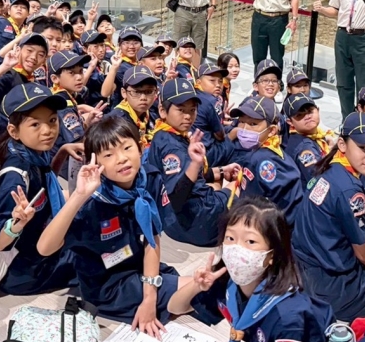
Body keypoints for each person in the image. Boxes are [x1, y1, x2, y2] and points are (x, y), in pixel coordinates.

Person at [170, 196, 333, 342]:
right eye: (230, 238)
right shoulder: (228, 282)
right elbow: (175, 308)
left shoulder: (287, 315)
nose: (237, 249)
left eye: (250, 242)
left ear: (272, 254)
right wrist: (196, 286)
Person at [37, 115, 184, 329]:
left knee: (197, 289)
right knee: (198, 293)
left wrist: (149, 295)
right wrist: (79, 195)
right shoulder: (91, 203)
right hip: (107, 285)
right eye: (108, 154)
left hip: (136, 264)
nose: (121, 159)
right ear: (95, 163)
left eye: (127, 148)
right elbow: (45, 247)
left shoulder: (147, 179)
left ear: (140, 148)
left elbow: (152, 237)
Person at [294, 112, 365, 323]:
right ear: (342, 144)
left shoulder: (328, 170)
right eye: (363, 148)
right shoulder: (349, 189)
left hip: (309, 278)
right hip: (339, 293)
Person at [0, 83, 78, 295]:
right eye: (35, 124)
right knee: (96, 256)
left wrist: (62, 151)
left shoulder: (32, 152)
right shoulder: (15, 178)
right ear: (13, 131)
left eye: (52, 120)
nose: (48, 131)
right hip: (26, 268)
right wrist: (17, 223)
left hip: (41, 239)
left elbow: (45, 181)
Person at [145, 78, 233, 247]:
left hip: (172, 223)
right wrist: (195, 164)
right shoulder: (172, 148)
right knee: (238, 189)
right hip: (197, 224)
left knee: (218, 181)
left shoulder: (162, 134)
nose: (188, 116)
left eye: (192, 110)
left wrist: (221, 171)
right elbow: (177, 197)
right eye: (181, 110)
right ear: (162, 111)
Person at [226, 96, 303, 225]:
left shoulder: (257, 160)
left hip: (272, 226)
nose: (244, 128)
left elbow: (249, 206)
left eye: (253, 124)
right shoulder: (275, 150)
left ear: (272, 130)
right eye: (241, 122)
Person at [103, 66, 160, 150]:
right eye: (136, 92)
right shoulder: (114, 122)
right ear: (124, 92)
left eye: (149, 91)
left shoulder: (153, 116)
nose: (143, 97)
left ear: (156, 93)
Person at [283, 94, 335, 182]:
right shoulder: (304, 149)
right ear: (290, 122)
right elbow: (319, 180)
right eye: (299, 115)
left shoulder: (316, 134)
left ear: (318, 110)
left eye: (310, 111)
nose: (307, 117)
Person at [103, 25, 142, 107]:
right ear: (119, 46)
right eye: (126, 43)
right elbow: (105, 93)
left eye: (135, 43)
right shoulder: (119, 67)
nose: (131, 46)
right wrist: (114, 68)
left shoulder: (141, 63)